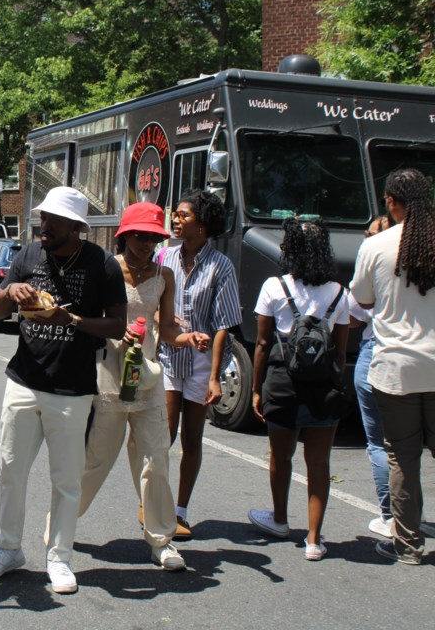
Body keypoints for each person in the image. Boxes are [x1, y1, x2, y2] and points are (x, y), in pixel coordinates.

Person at [0, 186, 127, 594]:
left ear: (77, 228)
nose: (45, 226)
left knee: (66, 479)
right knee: (11, 470)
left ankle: (59, 557)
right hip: (24, 380)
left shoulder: (102, 265)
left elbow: (117, 326)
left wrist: (70, 318)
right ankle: (7, 549)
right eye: (43, 218)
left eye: (54, 221)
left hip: (72, 389)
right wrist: (10, 291)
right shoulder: (27, 255)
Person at [76, 203, 210, 571]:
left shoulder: (164, 275)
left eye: (153, 236)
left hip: (147, 377)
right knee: (96, 459)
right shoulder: (107, 269)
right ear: (124, 235)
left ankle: (160, 540)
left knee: (156, 459)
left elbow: (166, 328)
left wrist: (186, 338)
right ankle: (62, 522)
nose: (147, 242)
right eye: (140, 235)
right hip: (110, 374)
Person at [249, 218, 349, 561]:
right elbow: (340, 347)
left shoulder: (274, 287)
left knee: (281, 455)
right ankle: (314, 540)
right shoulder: (339, 292)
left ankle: (279, 519)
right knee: (320, 463)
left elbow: (262, 343)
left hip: (282, 382)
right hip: (323, 387)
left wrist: (257, 389)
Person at [351, 168, 435, 565]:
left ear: (390, 202)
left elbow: (362, 301)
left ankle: (409, 546)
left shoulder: (377, 245)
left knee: (402, 457)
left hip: (395, 367)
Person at [157, 189, 241, 538]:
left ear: (203, 225)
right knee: (163, 435)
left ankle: (179, 511)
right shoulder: (164, 258)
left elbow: (223, 324)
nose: (176, 220)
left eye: (184, 215)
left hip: (201, 363)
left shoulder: (221, 266)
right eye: (175, 214)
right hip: (166, 356)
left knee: (192, 439)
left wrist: (216, 377)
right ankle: (154, 503)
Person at [349, 214, 394, 539]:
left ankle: (391, 515)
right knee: (407, 445)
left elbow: (355, 309)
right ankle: (408, 513)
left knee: (379, 442)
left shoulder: (376, 256)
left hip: (377, 351)